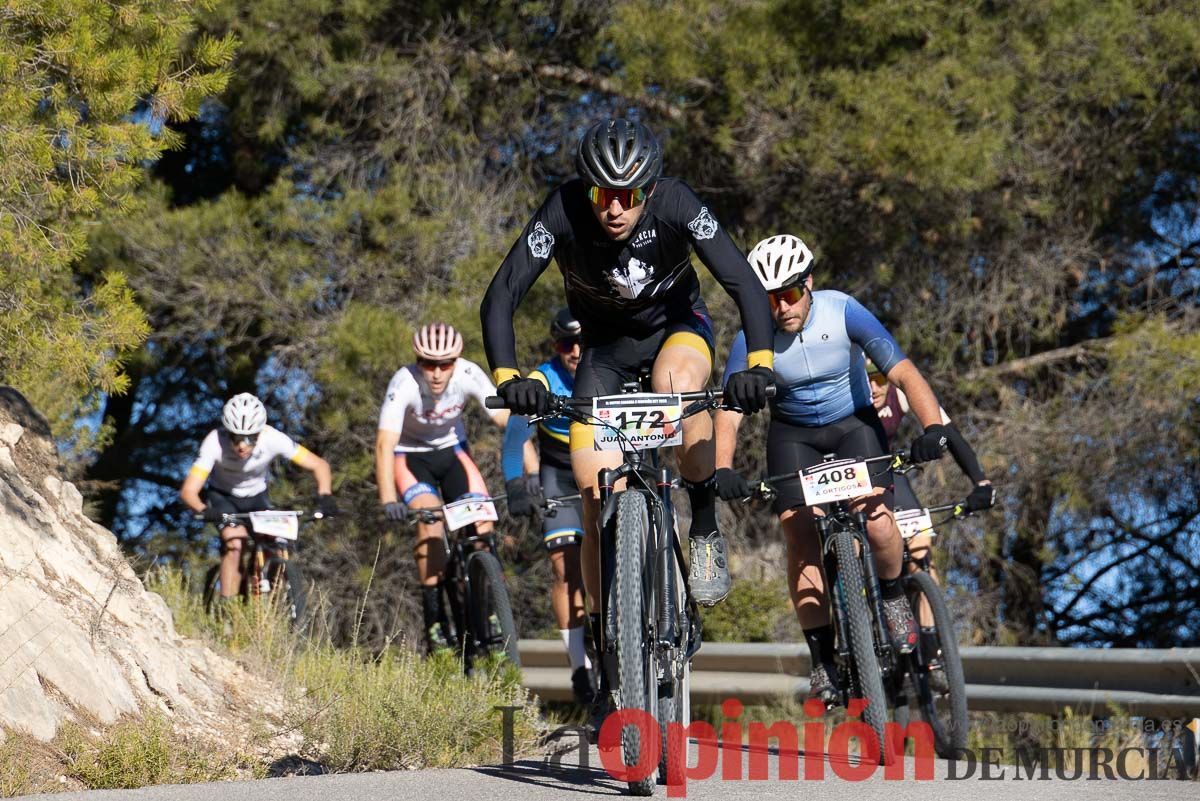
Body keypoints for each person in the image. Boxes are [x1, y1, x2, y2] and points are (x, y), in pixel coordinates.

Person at [480, 117, 775, 732]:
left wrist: (760, 365)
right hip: (606, 354)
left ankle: (701, 523)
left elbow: (742, 279)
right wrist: (509, 378)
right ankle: (609, 631)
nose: (615, 209)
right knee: (593, 496)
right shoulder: (561, 209)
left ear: (648, 189)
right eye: (602, 195)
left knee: (680, 389)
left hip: (676, 332)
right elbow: (502, 293)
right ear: (586, 190)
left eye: (628, 196)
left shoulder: (676, 202)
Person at [712, 234, 951, 707]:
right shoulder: (748, 339)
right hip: (793, 436)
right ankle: (823, 660)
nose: (782, 307)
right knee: (800, 538)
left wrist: (932, 427)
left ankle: (891, 595)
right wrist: (721, 468)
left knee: (881, 524)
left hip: (853, 425)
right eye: (770, 298)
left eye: (791, 293)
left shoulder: (844, 310)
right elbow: (729, 412)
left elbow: (903, 372)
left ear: (810, 284)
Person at [374, 322, 518, 654]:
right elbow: (384, 445)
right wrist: (388, 499)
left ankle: (492, 609)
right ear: (417, 361)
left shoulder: (468, 374)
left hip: (453, 452)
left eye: (445, 364)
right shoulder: (404, 382)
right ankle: (435, 618)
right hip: (410, 458)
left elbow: (506, 421)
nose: (437, 373)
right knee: (431, 523)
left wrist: (527, 473)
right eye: (428, 364)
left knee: (483, 524)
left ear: (457, 361)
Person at [866, 358, 994, 676]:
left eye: (880, 379)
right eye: (866, 379)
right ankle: (859, 625)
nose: (874, 387)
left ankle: (930, 644)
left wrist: (980, 481)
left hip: (888, 477)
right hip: (850, 479)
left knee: (921, 544)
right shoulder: (844, 393)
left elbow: (949, 433)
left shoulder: (902, 392)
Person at [502, 308, 593, 706]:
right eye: (565, 344)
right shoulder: (545, 377)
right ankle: (580, 668)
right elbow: (514, 433)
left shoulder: (613, 365)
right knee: (564, 566)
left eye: (581, 341)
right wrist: (514, 485)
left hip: (603, 463)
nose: (574, 351)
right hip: (559, 471)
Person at [180, 393, 337, 600]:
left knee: (277, 544)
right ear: (228, 433)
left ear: (260, 432)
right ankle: (229, 609)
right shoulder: (214, 443)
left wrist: (325, 495)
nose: (242, 446)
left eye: (250, 438)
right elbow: (189, 491)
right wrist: (204, 510)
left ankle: (271, 602)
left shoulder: (273, 438)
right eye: (236, 437)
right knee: (235, 543)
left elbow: (319, 465)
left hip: (256, 497)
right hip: (223, 497)